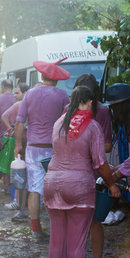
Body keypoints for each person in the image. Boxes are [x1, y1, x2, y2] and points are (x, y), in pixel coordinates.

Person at [43, 86, 120, 258]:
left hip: (52, 184)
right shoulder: (92, 127)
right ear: (91, 102)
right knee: (76, 244)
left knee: (56, 242)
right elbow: (100, 163)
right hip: (79, 187)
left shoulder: (58, 123)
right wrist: (112, 184)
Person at [14, 57, 70, 240]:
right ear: (57, 79)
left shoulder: (29, 94)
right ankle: (58, 227)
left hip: (33, 148)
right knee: (55, 188)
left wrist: (18, 145)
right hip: (54, 148)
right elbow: (67, 123)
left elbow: (20, 121)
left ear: (42, 76)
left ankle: (35, 228)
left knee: (35, 189)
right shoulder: (62, 96)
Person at [68, 74, 113, 258]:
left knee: (75, 220)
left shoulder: (70, 109)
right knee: (95, 221)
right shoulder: (102, 110)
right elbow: (108, 146)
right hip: (94, 171)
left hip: (73, 172)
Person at [1, 82, 29, 221]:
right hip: (21, 144)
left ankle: (20, 205)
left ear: (25, 93)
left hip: (25, 144)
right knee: (20, 175)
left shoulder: (23, 104)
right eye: (15, 92)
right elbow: (4, 116)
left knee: (21, 175)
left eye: (17, 93)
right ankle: (19, 205)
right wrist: (11, 129)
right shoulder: (19, 105)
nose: (15, 95)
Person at [0, 79, 17, 193]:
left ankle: (7, 186)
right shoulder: (16, 98)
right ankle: (16, 186)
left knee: (5, 160)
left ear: (2, 87)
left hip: (4, 134)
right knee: (16, 159)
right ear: (12, 87)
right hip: (18, 133)